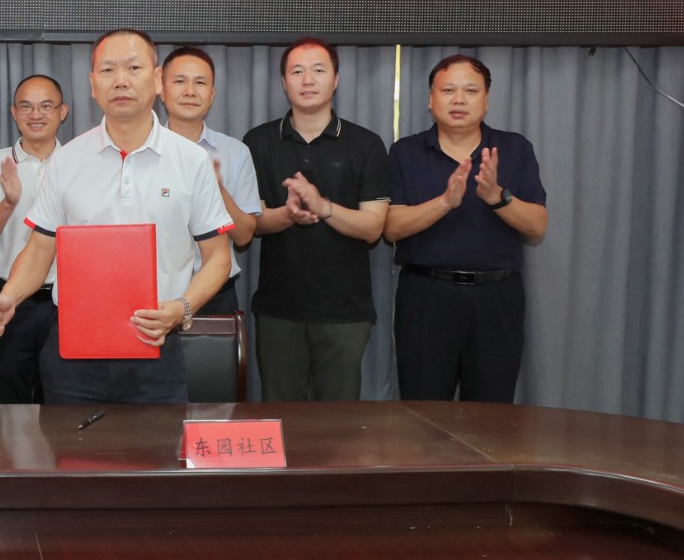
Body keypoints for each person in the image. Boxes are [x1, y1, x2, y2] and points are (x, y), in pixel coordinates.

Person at [0, 29, 234, 404]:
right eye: (107, 70)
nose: (120, 80)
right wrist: (9, 296)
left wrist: (182, 308)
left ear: (156, 79)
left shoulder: (191, 160)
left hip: (156, 345)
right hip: (73, 353)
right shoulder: (67, 160)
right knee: (69, 442)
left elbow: (218, 257)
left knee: (157, 442)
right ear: (92, 84)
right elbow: (39, 250)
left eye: (133, 68)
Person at [384, 54, 549, 403]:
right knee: (423, 411)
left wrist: (497, 196)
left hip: (496, 298)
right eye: (448, 90)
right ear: (431, 100)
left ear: (486, 101)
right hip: (426, 297)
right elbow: (391, 228)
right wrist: (445, 202)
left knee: (491, 413)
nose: (458, 100)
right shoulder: (406, 151)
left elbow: (537, 226)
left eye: (471, 91)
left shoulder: (514, 148)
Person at [242, 38, 389, 402]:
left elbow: (373, 228)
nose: (307, 80)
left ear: (336, 79)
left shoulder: (366, 144)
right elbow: (252, 223)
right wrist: (289, 215)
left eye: (318, 70)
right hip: (278, 311)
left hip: (345, 312)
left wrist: (324, 208)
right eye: (297, 71)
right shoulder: (258, 142)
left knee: (338, 424)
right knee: (280, 416)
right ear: (283, 82)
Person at [0, 74, 70, 403]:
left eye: (46, 106)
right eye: (26, 107)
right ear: (13, 112)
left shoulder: (79, 163)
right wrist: (8, 202)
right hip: (7, 300)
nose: (35, 115)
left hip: (65, 301)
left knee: (62, 400)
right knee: (5, 402)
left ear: (63, 111)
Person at [160, 46, 262, 315]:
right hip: (155, 289)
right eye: (179, 81)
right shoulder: (142, 150)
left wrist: (216, 188)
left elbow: (244, 236)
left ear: (212, 94)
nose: (190, 91)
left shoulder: (235, 152)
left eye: (200, 83)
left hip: (214, 290)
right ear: (161, 89)